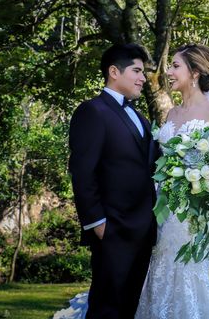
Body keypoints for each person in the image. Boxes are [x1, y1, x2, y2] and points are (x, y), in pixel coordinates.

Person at [134, 43, 209, 319]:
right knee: (158, 271)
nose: (168, 71)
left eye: (175, 66)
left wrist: (204, 189)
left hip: (195, 214)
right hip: (162, 209)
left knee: (186, 274)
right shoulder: (172, 114)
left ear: (195, 72)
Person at [66, 43, 157, 319]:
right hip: (113, 228)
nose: (143, 78)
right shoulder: (92, 111)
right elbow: (82, 172)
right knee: (107, 307)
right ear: (114, 71)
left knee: (129, 306)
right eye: (137, 71)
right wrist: (97, 223)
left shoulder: (141, 117)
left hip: (143, 228)